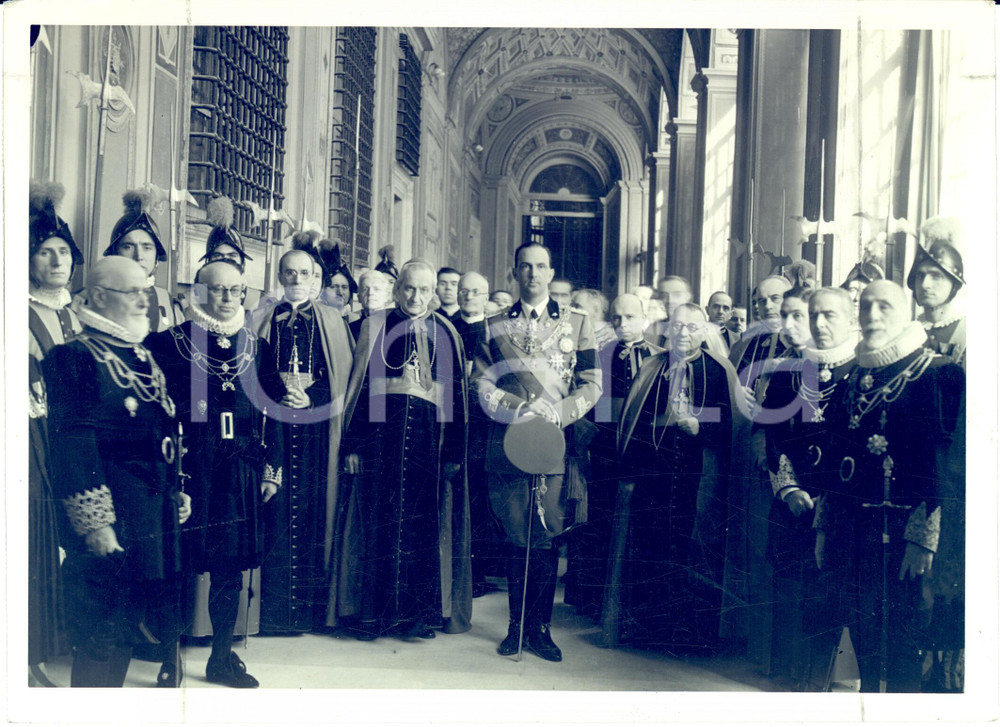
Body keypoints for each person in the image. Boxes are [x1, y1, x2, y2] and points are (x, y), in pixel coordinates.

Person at [42, 256, 191, 687]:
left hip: (149, 514)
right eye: (133, 292)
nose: (145, 300)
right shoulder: (73, 358)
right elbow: (74, 448)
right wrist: (96, 525)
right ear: (101, 296)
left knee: (127, 628)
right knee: (99, 637)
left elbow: (162, 431)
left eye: (146, 290)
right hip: (109, 521)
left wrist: (176, 487)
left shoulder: (140, 354)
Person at [816, 281, 964, 692]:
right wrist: (825, 528)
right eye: (865, 306)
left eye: (884, 306)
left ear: (907, 312)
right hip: (852, 530)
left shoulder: (936, 374)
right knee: (862, 634)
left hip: (903, 534)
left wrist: (923, 539)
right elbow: (835, 460)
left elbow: (943, 467)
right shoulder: (854, 376)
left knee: (901, 641)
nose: (872, 316)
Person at [146, 260, 284, 688]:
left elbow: (275, 413)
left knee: (230, 570)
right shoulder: (166, 343)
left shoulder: (258, 347)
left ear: (244, 294)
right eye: (217, 289)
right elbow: (154, 412)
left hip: (240, 469)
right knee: (178, 566)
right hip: (188, 468)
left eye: (235, 290)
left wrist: (271, 471)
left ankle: (221, 659)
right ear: (199, 293)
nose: (227, 297)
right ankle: (170, 659)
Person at [472, 242, 601, 662]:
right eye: (525, 267)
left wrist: (558, 413)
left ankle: (540, 629)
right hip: (509, 441)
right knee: (516, 535)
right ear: (515, 273)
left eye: (540, 266)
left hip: (555, 443)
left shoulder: (577, 324)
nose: (532, 274)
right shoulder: (493, 325)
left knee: (545, 536)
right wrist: (519, 409)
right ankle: (514, 629)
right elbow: (481, 384)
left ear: (550, 273)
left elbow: (592, 383)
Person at [339, 260, 472, 639]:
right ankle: (374, 617)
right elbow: (361, 390)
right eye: (409, 289)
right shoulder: (376, 325)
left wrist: (453, 455)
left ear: (434, 293)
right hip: (381, 442)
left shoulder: (446, 331)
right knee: (377, 529)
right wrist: (355, 445)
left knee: (421, 530)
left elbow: (457, 400)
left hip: (429, 448)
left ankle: (417, 617)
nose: (416, 297)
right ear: (398, 290)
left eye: (424, 290)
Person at [603, 303, 738, 652]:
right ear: (667, 329)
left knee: (692, 551)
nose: (683, 334)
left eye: (692, 328)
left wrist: (699, 424)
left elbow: (728, 422)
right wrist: (629, 471)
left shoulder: (717, 370)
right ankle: (651, 629)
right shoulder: (652, 366)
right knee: (651, 549)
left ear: (704, 330)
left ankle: (691, 635)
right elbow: (634, 420)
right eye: (677, 327)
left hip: (697, 475)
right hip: (653, 475)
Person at [758, 287, 858, 690]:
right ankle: (790, 672)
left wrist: (830, 497)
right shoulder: (789, 371)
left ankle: (830, 678)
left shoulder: (862, 371)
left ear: (850, 317)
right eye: (812, 315)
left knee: (833, 588)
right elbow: (774, 437)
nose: (818, 323)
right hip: (794, 497)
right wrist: (788, 488)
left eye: (829, 315)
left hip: (841, 499)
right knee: (790, 581)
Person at [252, 249, 354, 634]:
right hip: (273, 427)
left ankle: (310, 613)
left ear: (316, 278)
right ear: (280, 275)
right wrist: (278, 393)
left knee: (313, 514)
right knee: (274, 514)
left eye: (304, 273)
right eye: (289, 272)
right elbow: (249, 372)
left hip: (315, 433)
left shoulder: (332, 320)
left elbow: (343, 379)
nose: (296, 279)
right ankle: (273, 614)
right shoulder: (260, 317)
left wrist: (312, 396)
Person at [569, 293, 661, 620]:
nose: (624, 324)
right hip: (605, 451)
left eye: (631, 317)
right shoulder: (599, 354)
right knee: (600, 525)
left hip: (644, 454)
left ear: (644, 319)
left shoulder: (658, 357)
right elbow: (593, 405)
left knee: (641, 528)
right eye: (618, 318)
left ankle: (633, 604)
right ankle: (595, 602)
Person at [28, 181, 84, 686]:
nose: (56, 261)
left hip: (77, 440)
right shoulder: (18, 313)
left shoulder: (75, 312)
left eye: (63, 251)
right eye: (44, 253)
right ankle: (29, 653)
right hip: (36, 441)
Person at [452, 271, 503, 597]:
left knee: (482, 501)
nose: (469, 297)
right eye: (464, 291)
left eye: (476, 292)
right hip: (452, 422)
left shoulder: (497, 331)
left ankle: (479, 572)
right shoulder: (444, 327)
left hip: (485, 425)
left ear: (486, 297)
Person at [100, 189, 184, 332]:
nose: (139, 256)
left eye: (147, 247)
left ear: (156, 256)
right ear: (115, 253)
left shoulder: (169, 303)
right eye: (128, 246)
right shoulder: (96, 298)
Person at [907, 216, 966, 369]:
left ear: (954, 284)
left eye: (936, 276)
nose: (925, 285)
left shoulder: (968, 332)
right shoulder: (908, 331)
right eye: (920, 276)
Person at [201, 196, 254, 272]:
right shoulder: (200, 283)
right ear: (209, 260)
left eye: (232, 255)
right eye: (217, 255)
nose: (225, 261)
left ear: (242, 262)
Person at [350, 268, 392, 340]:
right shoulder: (350, 329)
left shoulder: (395, 326)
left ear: (386, 296)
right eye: (365, 289)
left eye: (376, 289)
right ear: (359, 297)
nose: (370, 293)